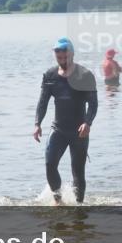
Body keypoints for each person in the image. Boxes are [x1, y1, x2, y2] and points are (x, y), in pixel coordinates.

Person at [33, 38, 98, 204]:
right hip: (58, 129)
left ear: (72, 54)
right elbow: (43, 102)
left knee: (78, 171)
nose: (62, 60)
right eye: (59, 58)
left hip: (79, 131)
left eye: (65, 57)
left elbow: (93, 103)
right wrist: (37, 124)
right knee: (50, 164)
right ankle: (58, 201)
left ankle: (79, 206)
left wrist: (88, 123)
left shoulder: (85, 75)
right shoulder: (50, 76)